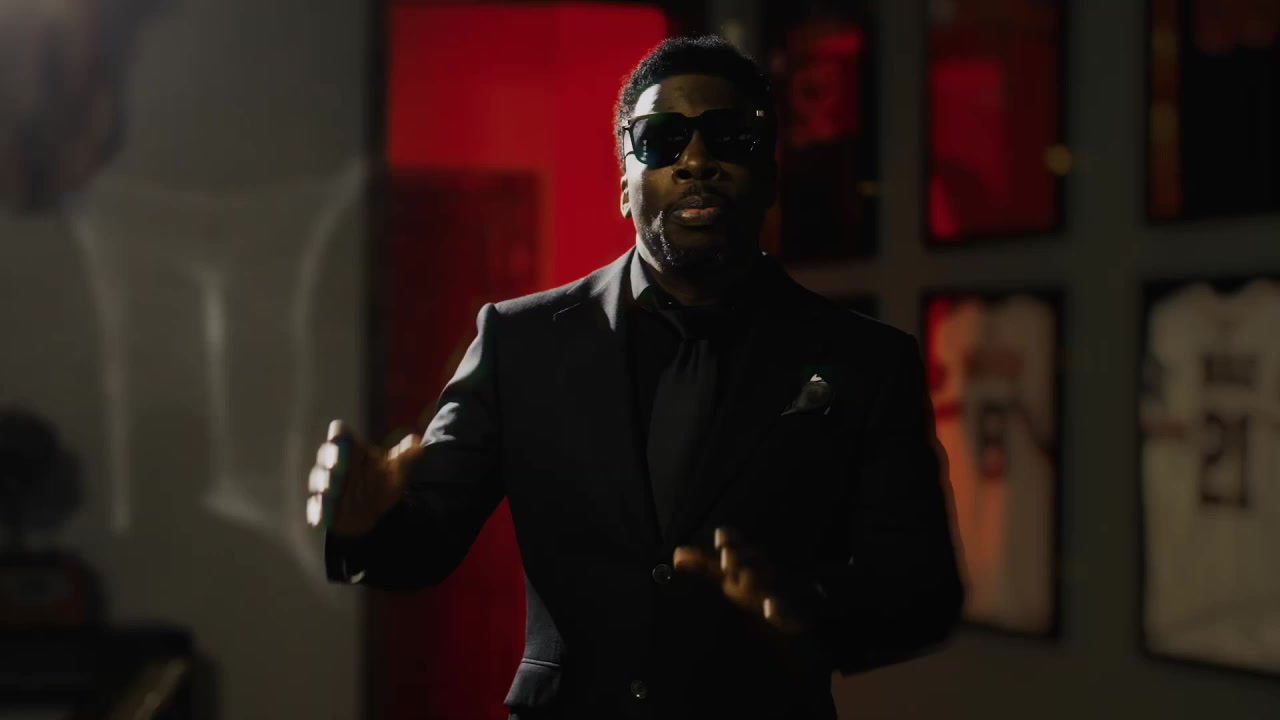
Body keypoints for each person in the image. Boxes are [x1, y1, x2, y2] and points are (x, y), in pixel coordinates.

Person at [309, 34, 963, 720]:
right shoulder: (520, 341)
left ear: (770, 176)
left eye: (729, 136)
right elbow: (424, 542)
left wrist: (803, 606)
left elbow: (923, 593)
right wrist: (367, 523)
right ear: (624, 184)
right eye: (660, 139)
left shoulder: (865, 361)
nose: (697, 161)